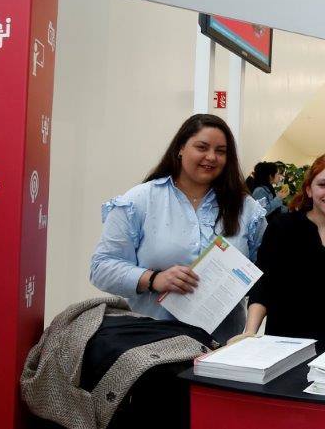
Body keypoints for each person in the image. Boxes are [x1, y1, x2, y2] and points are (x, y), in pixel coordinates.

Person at [90, 114, 266, 343]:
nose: (211, 157)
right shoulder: (140, 200)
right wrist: (153, 279)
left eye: (221, 151)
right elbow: (101, 268)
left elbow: (264, 276)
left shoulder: (247, 209)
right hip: (152, 345)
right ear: (181, 148)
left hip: (222, 348)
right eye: (202, 147)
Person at [235, 153, 325, 349]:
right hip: (285, 346)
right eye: (322, 184)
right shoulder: (282, 228)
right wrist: (249, 332)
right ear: (309, 189)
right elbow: (264, 285)